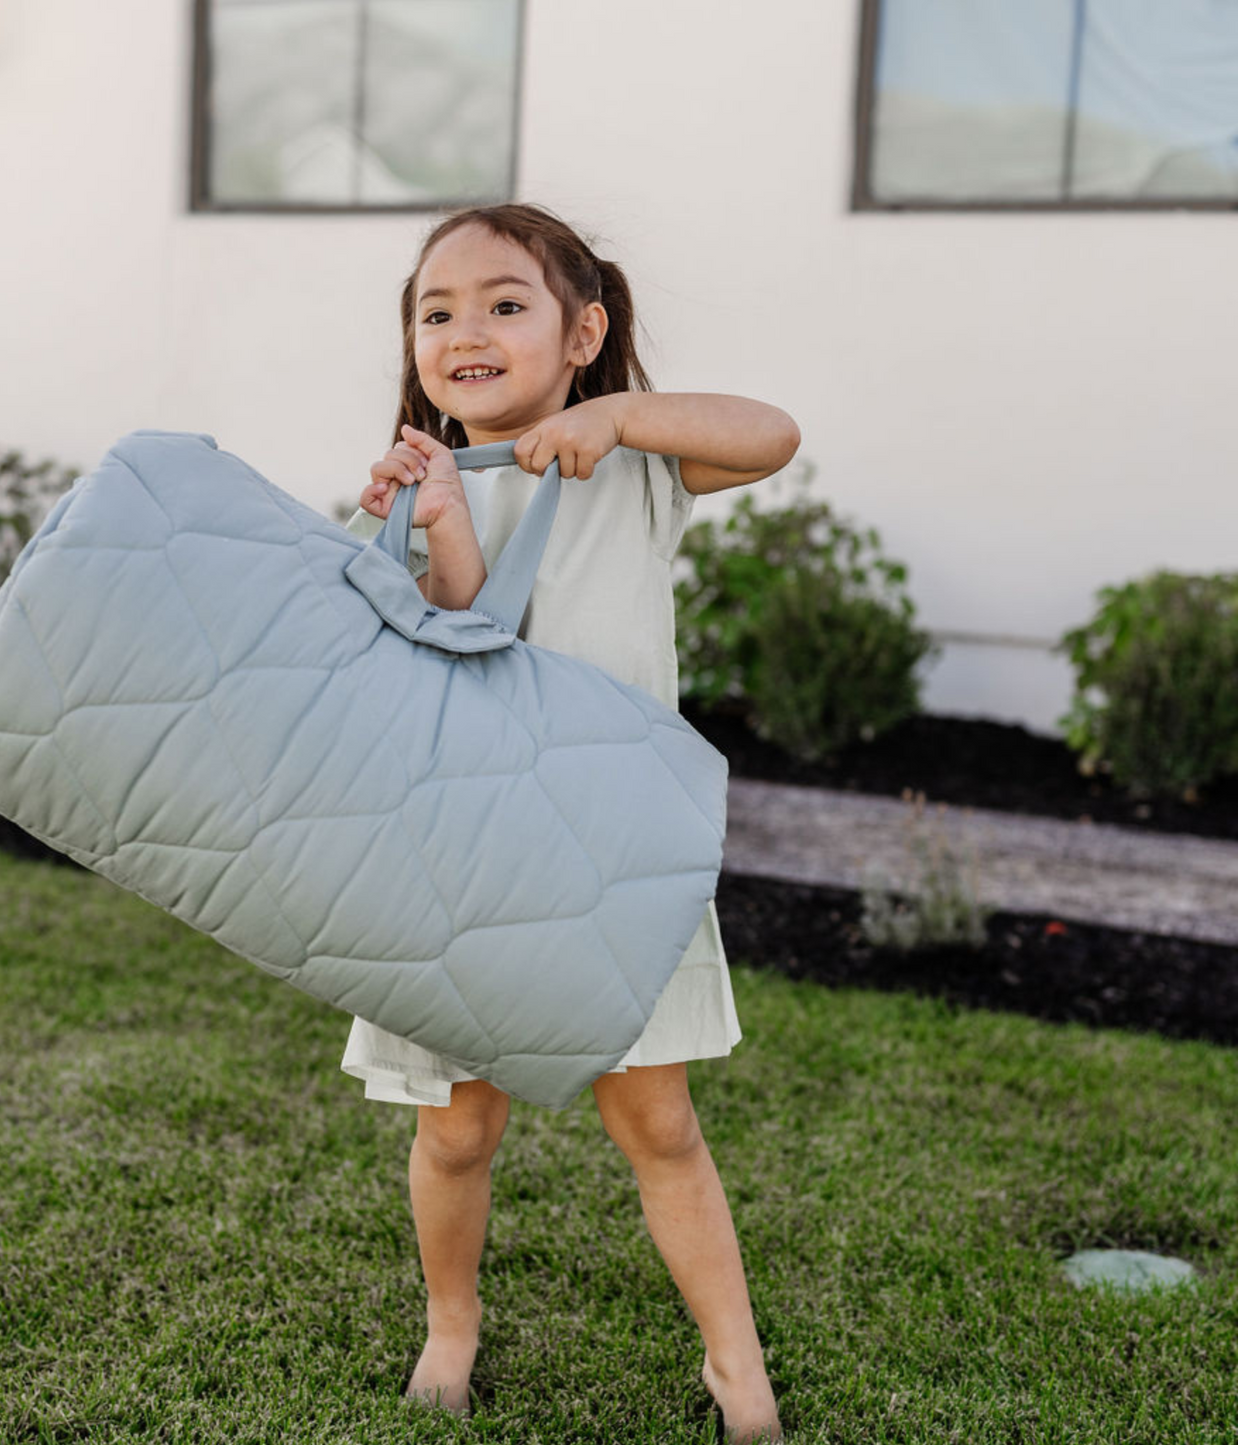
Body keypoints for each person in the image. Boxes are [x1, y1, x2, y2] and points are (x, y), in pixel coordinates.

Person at [340, 202, 800, 1444]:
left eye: (504, 303)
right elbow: (456, 642)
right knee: (457, 1129)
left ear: (582, 330)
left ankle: (735, 1365)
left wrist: (614, 417)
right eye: (436, 311)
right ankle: (451, 1322)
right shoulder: (408, 490)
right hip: (462, 863)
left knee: (656, 1120)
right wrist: (422, 521)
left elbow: (771, 434)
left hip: (607, 852)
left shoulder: (637, 466)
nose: (464, 330)